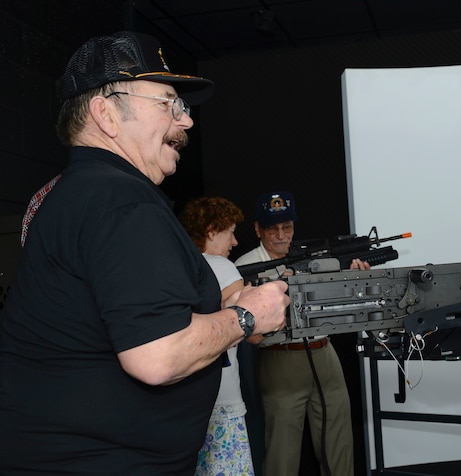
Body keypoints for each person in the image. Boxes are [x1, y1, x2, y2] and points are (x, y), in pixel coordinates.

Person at [0, 31, 288, 475]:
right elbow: (157, 357)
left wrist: (215, 310)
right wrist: (247, 316)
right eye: (167, 103)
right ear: (107, 114)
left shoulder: (80, 194)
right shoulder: (121, 202)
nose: (185, 122)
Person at [235, 191, 365, 476]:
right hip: (280, 359)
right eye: (272, 228)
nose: (281, 235)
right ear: (258, 229)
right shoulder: (245, 266)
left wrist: (356, 279)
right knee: (282, 449)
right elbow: (242, 324)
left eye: (287, 227)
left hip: (325, 353)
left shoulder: (315, 257)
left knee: (339, 443)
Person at [179, 196, 257, 475]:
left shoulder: (176, 265)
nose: (235, 243)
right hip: (222, 399)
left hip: (182, 404)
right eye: (231, 232)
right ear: (211, 230)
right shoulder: (222, 267)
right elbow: (248, 330)